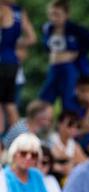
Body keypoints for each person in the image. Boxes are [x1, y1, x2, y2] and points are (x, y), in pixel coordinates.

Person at [39, 0, 89, 108]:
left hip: (72, 69)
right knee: (44, 99)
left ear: (66, 15)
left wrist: (78, 52)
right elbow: (47, 47)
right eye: (51, 14)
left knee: (69, 99)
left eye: (57, 15)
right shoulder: (47, 29)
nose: (54, 18)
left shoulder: (75, 29)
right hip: (55, 68)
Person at [0, 0, 36, 133]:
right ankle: (21, 138)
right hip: (13, 63)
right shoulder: (20, 12)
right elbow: (32, 38)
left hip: (1, 61)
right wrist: (13, 44)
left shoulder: (2, 9)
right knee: (10, 104)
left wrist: (5, 44)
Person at [49, 110, 87, 181]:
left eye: (77, 126)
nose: (74, 128)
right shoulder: (51, 139)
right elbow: (58, 155)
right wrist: (72, 160)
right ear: (59, 124)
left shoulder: (74, 144)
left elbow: (85, 162)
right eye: (70, 124)